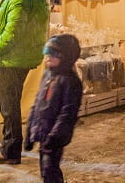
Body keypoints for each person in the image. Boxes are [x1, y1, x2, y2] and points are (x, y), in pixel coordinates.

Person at [0, 0, 50, 165]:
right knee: (8, 101)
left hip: (13, 58)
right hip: (22, 56)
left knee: (8, 103)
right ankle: (9, 143)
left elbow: (13, 30)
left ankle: (11, 150)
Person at [25, 34, 83, 183]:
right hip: (43, 132)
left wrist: (55, 137)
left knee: (50, 170)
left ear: (66, 57)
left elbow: (67, 113)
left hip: (54, 137)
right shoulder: (48, 75)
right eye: (47, 53)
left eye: (54, 54)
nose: (48, 58)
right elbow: (37, 104)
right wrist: (30, 131)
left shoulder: (70, 82)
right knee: (46, 170)